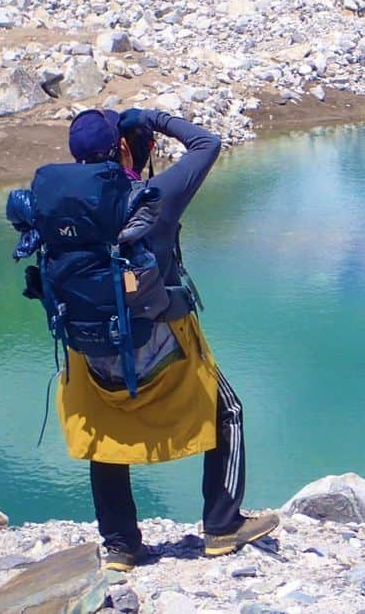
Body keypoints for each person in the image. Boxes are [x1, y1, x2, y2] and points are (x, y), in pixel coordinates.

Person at [58, 107, 277, 571]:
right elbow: (207, 144)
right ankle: (222, 526)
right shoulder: (154, 195)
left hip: (90, 352)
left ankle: (119, 545)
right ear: (121, 146)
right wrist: (153, 118)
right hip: (162, 342)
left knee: (105, 434)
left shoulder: (59, 206)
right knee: (229, 412)